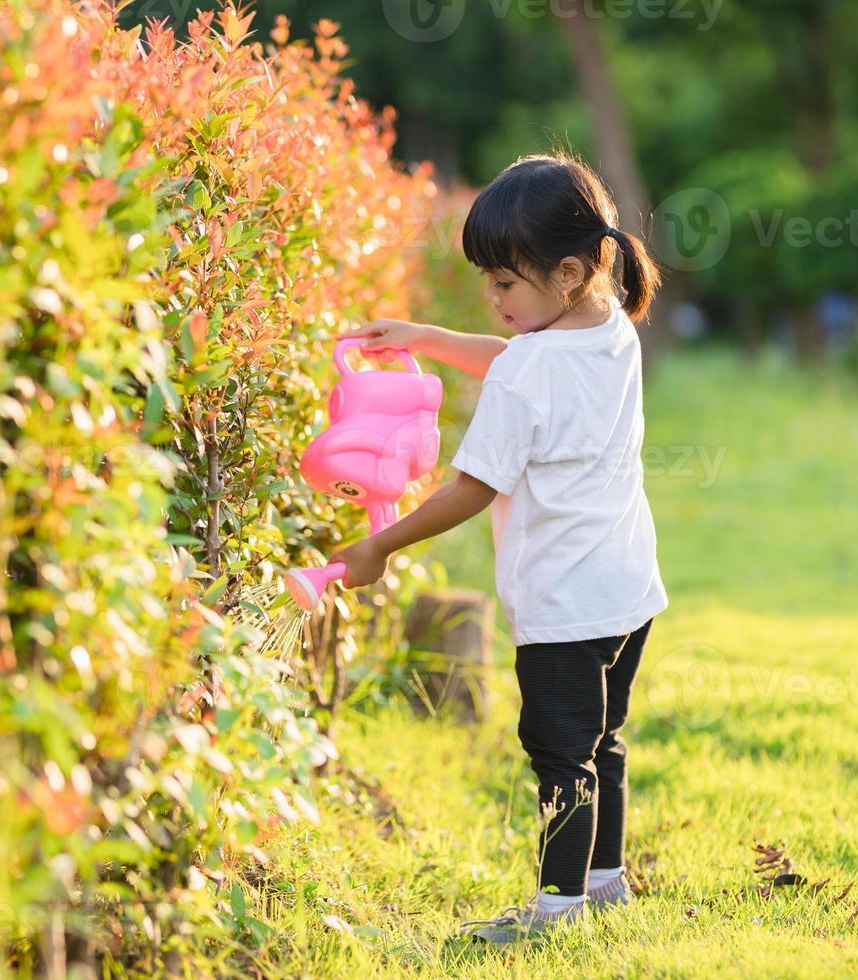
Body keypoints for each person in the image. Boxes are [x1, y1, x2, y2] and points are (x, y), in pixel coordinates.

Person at [329, 153, 670, 945]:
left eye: (504, 284)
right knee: (601, 743)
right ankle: (604, 884)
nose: (492, 298)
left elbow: (470, 488)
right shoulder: (610, 324)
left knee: (560, 758)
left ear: (568, 271)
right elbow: (525, 361)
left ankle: (555, 915)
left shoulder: (530, 374)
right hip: (626, 589)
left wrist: (379, 544)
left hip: (562, 602)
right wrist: (432, 337)